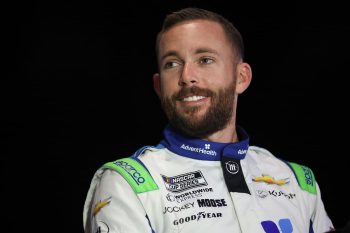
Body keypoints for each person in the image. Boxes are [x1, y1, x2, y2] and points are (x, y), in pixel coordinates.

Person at [83, 7, 335, 233]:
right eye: (172, 63)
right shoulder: (128, 184)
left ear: (241, 77)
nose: (187, 76)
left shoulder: (298, 180)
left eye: (205, 60)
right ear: (159, 86)